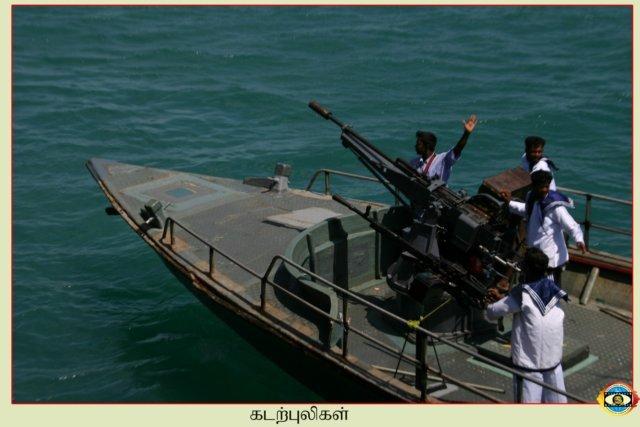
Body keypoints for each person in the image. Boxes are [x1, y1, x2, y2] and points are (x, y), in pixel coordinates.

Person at [485, 247, 568, 403]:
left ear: (526, 269)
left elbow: (494, 312)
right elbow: (532, 303)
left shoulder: (521, 293)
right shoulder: (553, 289)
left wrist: (490, 305)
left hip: (529, 367)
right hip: (553, 364)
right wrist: (504, 298)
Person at [500, 170, 586, 287]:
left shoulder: (555, 207)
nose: (545, 190)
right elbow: (527, 211)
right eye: (541, 187)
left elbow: (572, 225)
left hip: (549, 262)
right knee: (531, 289)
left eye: (547, 186)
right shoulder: (532, 198)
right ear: (534, 186)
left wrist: (579, 239)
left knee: (550, 292)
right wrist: (510, 202)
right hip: (534, 257)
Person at [409, 114, 478, 184]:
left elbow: (457, 150)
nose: (415, 146)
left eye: (418, 144)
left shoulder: (442, 160)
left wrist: (466, 133)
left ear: (427, 145)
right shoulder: (414, 162)